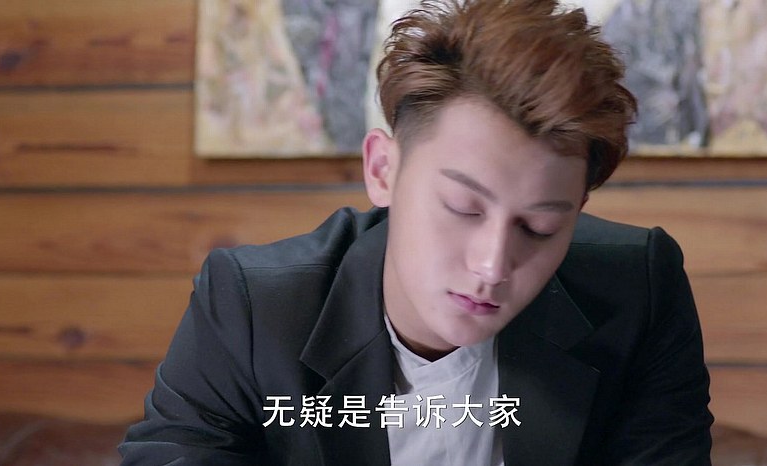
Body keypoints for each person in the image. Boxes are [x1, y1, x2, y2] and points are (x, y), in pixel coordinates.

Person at [119, 0, 714, 464]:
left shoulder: (636, 291)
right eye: (462, 207)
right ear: (383, 170)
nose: (492, 265)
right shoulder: (256, 307)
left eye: (540, 227)